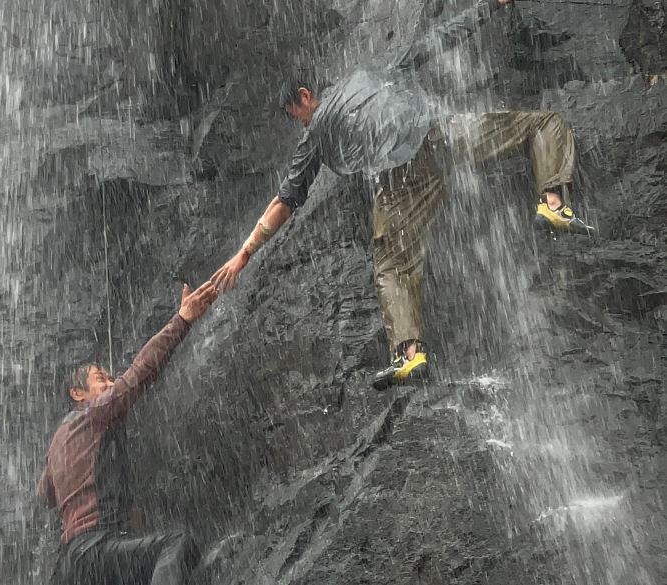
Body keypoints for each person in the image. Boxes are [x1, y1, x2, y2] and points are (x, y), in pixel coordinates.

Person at [211, 0, 595, 390]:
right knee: (542, 123)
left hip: (397, 178)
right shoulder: (371, 70)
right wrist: (488, 8)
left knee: (394, 264)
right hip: (439, 136)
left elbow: (286, 200)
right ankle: (553, 204)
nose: (302, 124)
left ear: (306, 96)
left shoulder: (317, 133)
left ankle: (410, 356)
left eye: (298, 115)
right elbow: (436, 40)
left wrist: (244, 253)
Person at [37, 280, 218, 585]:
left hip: (68, 568)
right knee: (178, 544)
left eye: (110, 379)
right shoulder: (95, 413)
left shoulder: (58, 441)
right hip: (96, 550)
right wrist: (182, 320)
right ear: (78, 393)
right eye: (101, 379)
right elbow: (137, 375)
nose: (110, 383)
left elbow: (44, 495)